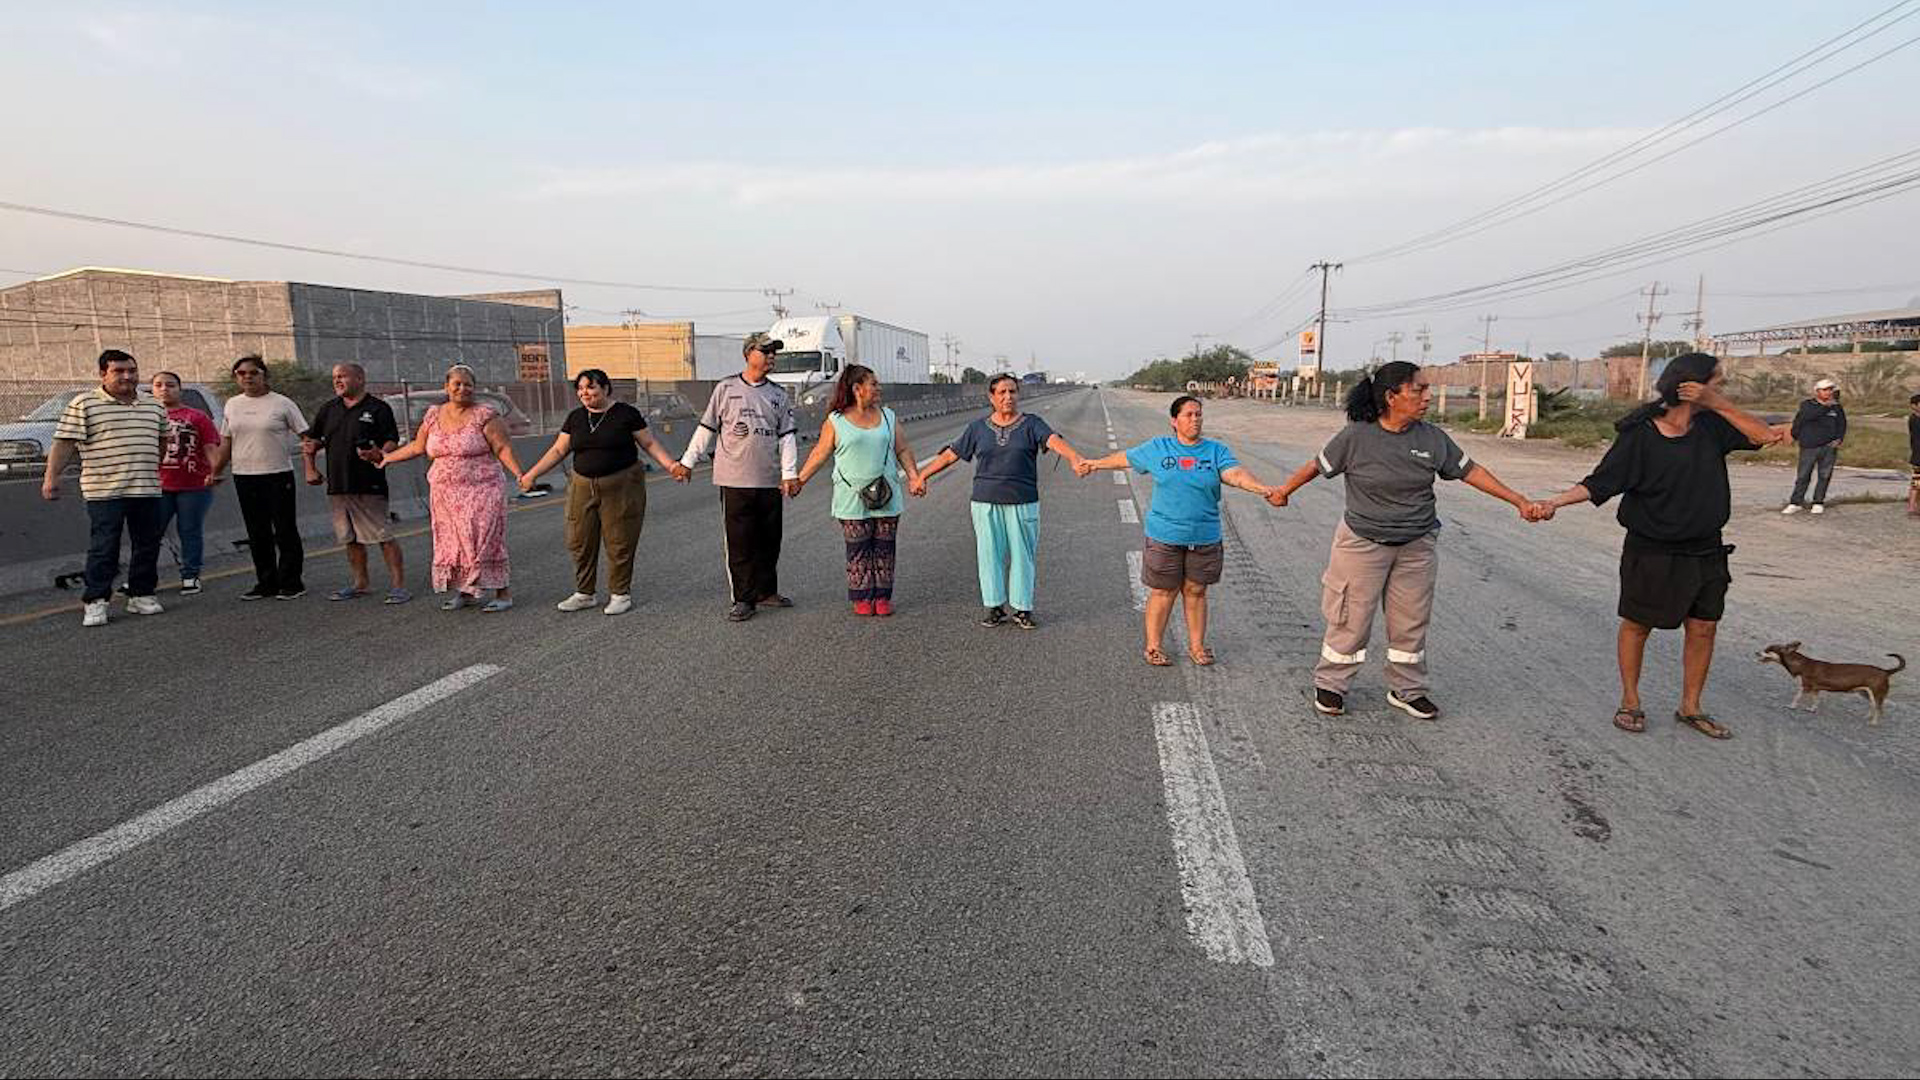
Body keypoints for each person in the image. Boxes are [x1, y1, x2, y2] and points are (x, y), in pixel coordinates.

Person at [1267, 361, 1546, 721]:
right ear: (1391, 396)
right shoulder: (1356, 436)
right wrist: (1284, 491)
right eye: (1419, 390)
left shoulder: (1431, 438)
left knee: (1410, 621)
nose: (1427, 397)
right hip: (1362, 542)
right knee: (1350, 616)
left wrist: (1519, 500)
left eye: (1427, 390)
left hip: (1416, 545)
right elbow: (1316, 466)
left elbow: (1470, 471)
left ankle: (1407, 689)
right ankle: (1332, 684)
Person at [1536, 352, 1783, 740]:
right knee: (1638, 625)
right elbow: (1600, 482)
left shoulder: (1714, 425)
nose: (1722, 388)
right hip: (1652, 550)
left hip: (1706, 548)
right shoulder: (1640, 435)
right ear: (1691, 385)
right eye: (1717, 382)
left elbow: (1765, 436)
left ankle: (1691, 706)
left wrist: (1717, 403)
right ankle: (1630, 701)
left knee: (1703, 627)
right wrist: (1553, 502)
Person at [1077, 395, 1286, 665]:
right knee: (1163, 591)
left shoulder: (1215, 451)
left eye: (1198, 414)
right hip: (1165, 535)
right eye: (1188, 415)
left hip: (1204, 536)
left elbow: (1234, 474)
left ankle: (1197, 647)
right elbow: (1126, 458)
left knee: (1196, 591)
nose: (1195, 419)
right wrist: (1093, 463)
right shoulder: (1159, 448)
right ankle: (1153, 646)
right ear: (1174, 421)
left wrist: (1263, 489)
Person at [917, 373, 1090, 628]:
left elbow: (1053, 441)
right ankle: (994, 605)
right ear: (991, 397)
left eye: (1012, 392)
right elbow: (951, 455)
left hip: (1022, 501)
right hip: (985, 502)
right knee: (989, 554)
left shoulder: (1032, 423)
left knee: (1023, 555)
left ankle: (1022, 609)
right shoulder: (977, 428)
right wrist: (922, 476)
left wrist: (1074, 458)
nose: (1008, 397)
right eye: (1002, 393)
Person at [521, 369, 690, 615]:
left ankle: (620, 593)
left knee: (620, 540)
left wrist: (672, 465)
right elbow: (558, 451)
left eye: (590, 387)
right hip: (582, 485)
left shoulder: (626, 414)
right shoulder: (576, 418)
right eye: (580, 388)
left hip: (621, 485)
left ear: (606, 388)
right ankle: (584, 593)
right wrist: (532, 475)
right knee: (579, 540)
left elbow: (649, 443)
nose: (584, 393)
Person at [365, 365, 526, 612]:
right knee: (454, 543)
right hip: (445, 493)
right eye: (457, 384)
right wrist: (388, 458)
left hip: (482, 489)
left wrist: (518, 473)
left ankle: (503, 593)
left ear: (475, 387)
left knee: (484, 539)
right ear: (447, 387)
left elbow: (502, 449)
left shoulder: (486, 415)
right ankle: (466, 591)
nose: (463, 389)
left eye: (468, 384)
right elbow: (418, 447)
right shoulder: (433, 415)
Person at [678, 332, 800, 622]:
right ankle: (744, 598)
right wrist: (687, 462)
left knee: (770, 539)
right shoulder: (726, 388)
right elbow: (706, 429)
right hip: (734, 479)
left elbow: (787, 438)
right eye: (766, 350)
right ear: (748, 354)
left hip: (768, 480)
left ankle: (766, 591)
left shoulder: (779, 395)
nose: (771, 356)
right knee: (740, 542)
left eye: (774, 352)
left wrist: (790, 473)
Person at [41, 349, 168, 627]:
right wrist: (51, 478)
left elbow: (162, 440)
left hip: (146, 489)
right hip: (104, 491)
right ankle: (96, 601)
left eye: (131, 371)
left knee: (147, 545)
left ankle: (142, 594)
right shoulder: (84, 404)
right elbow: (63, 444)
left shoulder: (154, 405)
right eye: (118, 371)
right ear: (103, 374)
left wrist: (152, 469)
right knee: (104, 547)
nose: (127, 376)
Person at [794, 364, 925, 616]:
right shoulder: (836, 420)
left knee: (885, 548)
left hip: (886, 494)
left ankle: (883, 597)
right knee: (858, 549)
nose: (878, 388)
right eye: (873, 384)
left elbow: (903, 450)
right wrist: (800, 480)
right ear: (857, 389)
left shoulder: (888, 416)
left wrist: (913, 476)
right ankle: (862, 597)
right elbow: (820, 453)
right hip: (851, 497)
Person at [303, 363, 409, 604]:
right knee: (349, 538)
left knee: (382, 535)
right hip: (338, 485)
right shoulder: (329, 409)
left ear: (360, 378)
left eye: (342, 376)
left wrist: (379, 454)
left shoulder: (378, 408)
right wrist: (310, 468)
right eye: (334, 377)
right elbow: (312, 440)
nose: (337, 381)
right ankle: (360, 584)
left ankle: (398, 586)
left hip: (368, 484)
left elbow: (392, 440)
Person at [212, 355, 308, 600]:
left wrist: (311, 464)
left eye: (253, 373)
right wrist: (215, 470)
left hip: (277, 474)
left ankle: (291, 582)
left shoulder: (282, 403)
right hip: (245, 475)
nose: (247, 377)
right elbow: (227, 441)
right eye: (241, 373)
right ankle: (266, 582)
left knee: (284, 530)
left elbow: (306, 435)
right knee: (257, 532)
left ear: (264, 375)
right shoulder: (232, 404)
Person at [153, 371, 222, 595]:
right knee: (150, 533)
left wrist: (215, 471)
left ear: (179, 389)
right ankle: (142, 577)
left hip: (194, 485)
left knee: (189, 530)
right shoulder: (146, 417)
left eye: (171, 385)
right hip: (157, 485)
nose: (165, 389)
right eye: (159, 385)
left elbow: (210, 447)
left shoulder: (197, 417)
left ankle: (191, 575)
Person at [1782, 377, 1845, 515]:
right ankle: (1796, 502)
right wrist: (1795, 436)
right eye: (1825, 390)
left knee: (1824, 475)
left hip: (1829, 447)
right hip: (1809, 446)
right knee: (1803, 475)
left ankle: (1818, 502)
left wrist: (1839, 438)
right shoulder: (1807, 405)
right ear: (1817, 391)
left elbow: (1842, 424)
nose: (1828, 393)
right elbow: (1805, 418)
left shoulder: (1836, 407)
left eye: (1830, 390)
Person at [1908, 392, 1920, 518]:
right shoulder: (1914, 419)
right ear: (1914, 406)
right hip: (1918, 456)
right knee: (1917, 481)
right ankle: (1912, 507)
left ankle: (1914, 506)